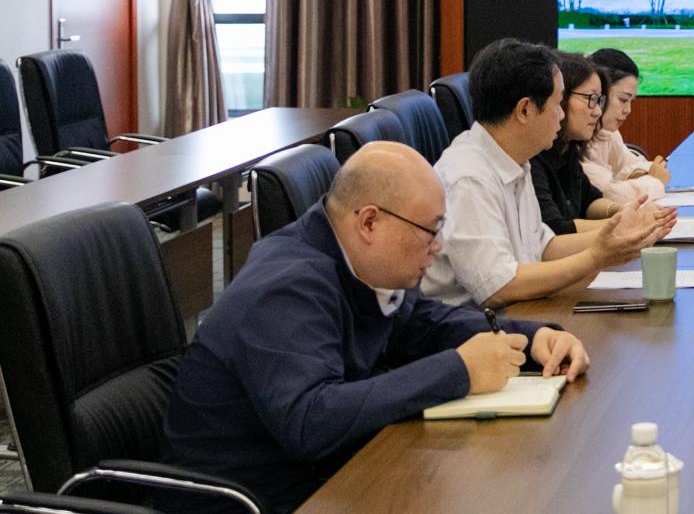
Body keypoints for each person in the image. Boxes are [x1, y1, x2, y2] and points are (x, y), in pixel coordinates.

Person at [163, 142, 589, 513]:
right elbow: (310, 421)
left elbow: (421, 324)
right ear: (369, 222)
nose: (438, 245)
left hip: (325, 477)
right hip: (254, 499)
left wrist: (531, 337)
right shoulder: (286, 287)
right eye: (430, 229)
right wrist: (459, 370)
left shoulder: (354, 261)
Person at [423, 37, 676, 307]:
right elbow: (499, 286)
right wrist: (596, 257)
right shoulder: (468, 177)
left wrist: (621, 232)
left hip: (516, 314)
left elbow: (544, 247)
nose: (561, 115)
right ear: (525, 110)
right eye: (557, 104)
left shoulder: (516, 160)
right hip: (475, 325)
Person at [529, 53, 620, 234]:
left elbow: (590, 200)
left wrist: (619, 211)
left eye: (599, 101)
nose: (597, 112)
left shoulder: (567, 148)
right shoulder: (533, 155)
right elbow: (554, 229)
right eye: (591, 99)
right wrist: (622, 223)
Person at [582, 47, 670, 205]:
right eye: (623, 100)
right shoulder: (577, 136)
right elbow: (607, 196)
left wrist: (638, 175)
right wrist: (654, 181)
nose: (628, 110)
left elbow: (633, 164)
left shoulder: (607, 132)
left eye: (631, 101)